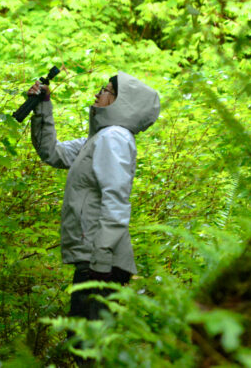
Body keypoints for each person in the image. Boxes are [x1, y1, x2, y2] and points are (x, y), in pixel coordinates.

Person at [26, 71, 161, 322]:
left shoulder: (114, 138)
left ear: (121, 101)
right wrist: (42, 106)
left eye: (105, 90)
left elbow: (116, 200)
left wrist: (102, 258)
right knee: (85, 336)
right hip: (95, 259)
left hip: (100, 261)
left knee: (87, 339)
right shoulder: (100, 138)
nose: (97, 94)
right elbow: (53, 153)